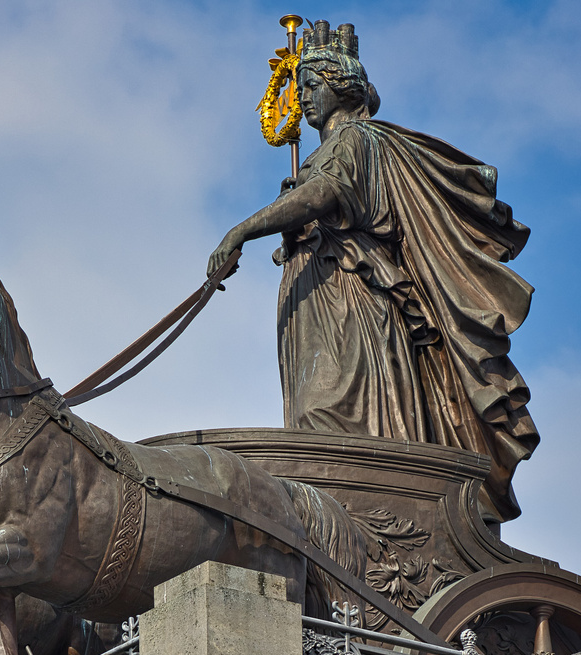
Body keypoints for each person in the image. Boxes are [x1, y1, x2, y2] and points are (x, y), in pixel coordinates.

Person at [208, 21, 537, 522]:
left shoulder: (355, 140)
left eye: (312, 87)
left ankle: (373, 523)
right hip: (319, 300)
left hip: (350, 301)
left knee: (333, 416)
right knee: (312, 421)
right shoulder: (320, 154)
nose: (304, 101)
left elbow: (325, 195)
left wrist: (241, 230)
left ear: (342, 88)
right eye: (301, 91)